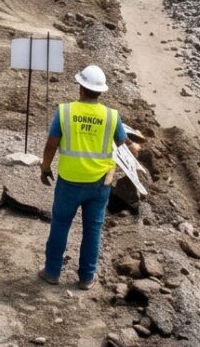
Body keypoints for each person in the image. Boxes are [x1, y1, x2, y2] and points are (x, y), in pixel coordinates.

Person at [40, 64, 136, 289]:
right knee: (93, 230)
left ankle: (52, 272)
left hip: (69, 181)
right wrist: (136, 149)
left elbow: (51, 144)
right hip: (99, 184)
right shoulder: (112, 116)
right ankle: (86, 277)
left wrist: (45, 168)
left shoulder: (64, 112)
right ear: (101, 91)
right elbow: (125, 145)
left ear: (80, 88)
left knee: (60, 225)